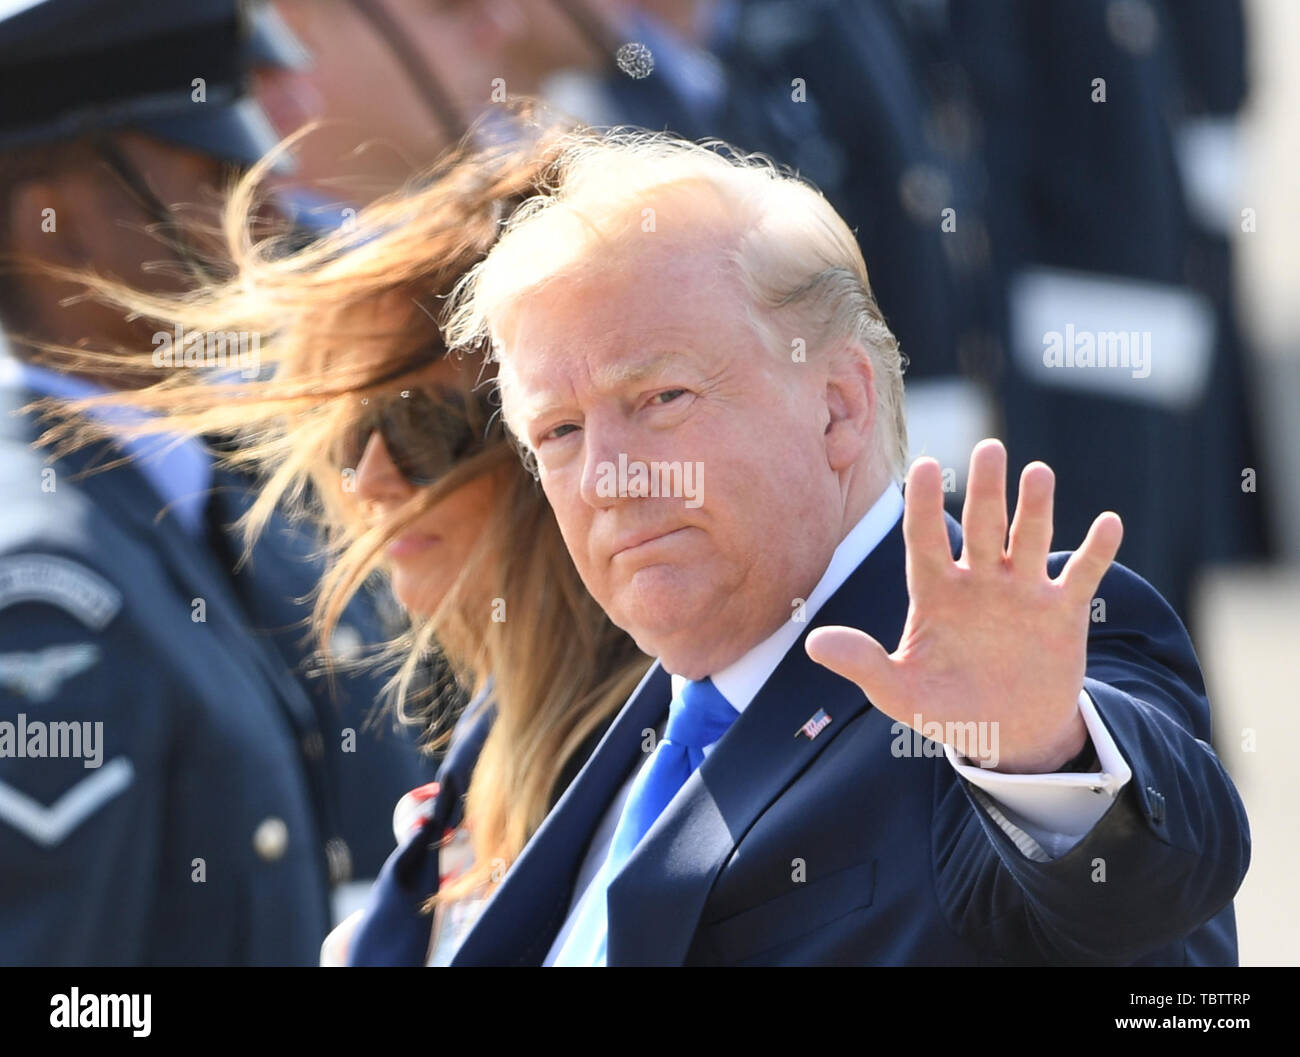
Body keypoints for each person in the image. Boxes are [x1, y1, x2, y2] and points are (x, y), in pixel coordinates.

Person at [440, 128, 1251, 965]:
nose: (607, 477)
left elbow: (1150, 919)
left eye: (659, 397)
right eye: (560, 431)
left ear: (839, 407)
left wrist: (1041, 753)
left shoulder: (1007, 667)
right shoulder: (585, 710)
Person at [41, 130, 651, 965]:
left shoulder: (678, 773)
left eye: (419, 427)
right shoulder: (499, 747)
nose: (367, 481)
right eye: (353, 430)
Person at [0, 0, 433, 965]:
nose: (271, 213)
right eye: (216, 181)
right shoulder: (42, 586)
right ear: (55, 227)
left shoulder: (248, 504)